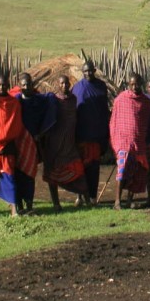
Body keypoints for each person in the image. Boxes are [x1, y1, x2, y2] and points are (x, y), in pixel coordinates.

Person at [42, 75, 89, 211]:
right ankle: (56, 203)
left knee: (78, 170)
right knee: (52, 174)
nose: (64, 86)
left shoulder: (73, 100)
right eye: (62, 83)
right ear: (58, 84)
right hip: (55, 143)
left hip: (69, 142)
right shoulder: (53, 101)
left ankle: (87, 201)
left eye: (66, 83)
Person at [0, 73, 25, 217]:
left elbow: (16, 125)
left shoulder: (13, 103)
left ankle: (14, 210)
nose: (2, 87)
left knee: (9, 177)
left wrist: (6, 136)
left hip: (8, 146)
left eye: (4, 84)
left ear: (8, 85)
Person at [109, 73, 150, 209]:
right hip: (123, 142)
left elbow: (145, 123)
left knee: (137, 171)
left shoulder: (145, 102)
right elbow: (114, 122)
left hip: (138, 141)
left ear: (141, 84)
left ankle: (129, 200)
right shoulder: (121, 100)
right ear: (128, 84)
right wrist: (115, 141)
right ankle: (117, 202)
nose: (135, 87)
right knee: (122, 170)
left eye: (137, 84)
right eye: (132, 84)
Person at [72, 60, 110, 206]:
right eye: (85, 71)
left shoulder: (101, 86)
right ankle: (80, 197)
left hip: (96, 134)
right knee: (79, 167)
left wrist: (105, 131)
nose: (88, 73)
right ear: (82, 72)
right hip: (81, 134)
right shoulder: (77, 88)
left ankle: (93, 197)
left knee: (93, 167)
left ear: (94, 70)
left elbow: (103, 109)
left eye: (90, 71)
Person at [12, 73, 50, 213]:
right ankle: (19, 205)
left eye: (28, 84)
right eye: (23, 85)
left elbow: (48, 106)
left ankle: (29, 204)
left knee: (30, 175)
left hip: (32, 143)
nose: (26, 87)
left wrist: (41, 132)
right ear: (19, 86)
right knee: (18, 174)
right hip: (19, 143)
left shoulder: (38, 101)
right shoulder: (16, 101)